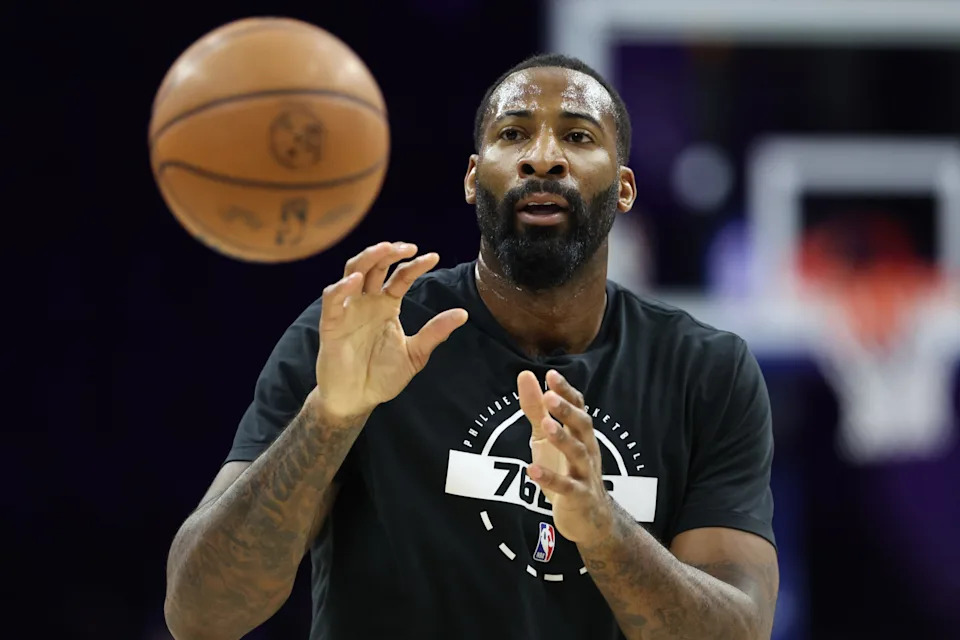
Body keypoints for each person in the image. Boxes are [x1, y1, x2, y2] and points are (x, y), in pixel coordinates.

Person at [163, 53, 779, 640]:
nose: (543, 158)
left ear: (623, 190)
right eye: (513, 135)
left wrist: (603, 527)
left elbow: (739, 628)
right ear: (470, 177)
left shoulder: (707, 372)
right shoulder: (366, 336)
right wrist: (330, 418)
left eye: (578, 137)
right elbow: (201, 616)